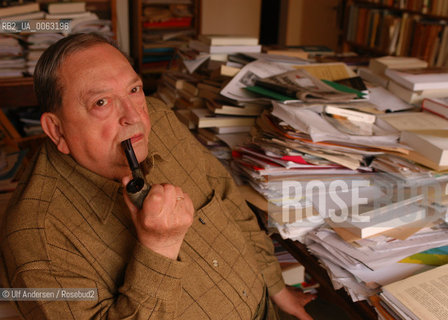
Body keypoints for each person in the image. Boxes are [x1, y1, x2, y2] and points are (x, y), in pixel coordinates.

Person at [0, 33, 315, 319]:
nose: (134, 117)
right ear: (57, 129)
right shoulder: (36, 236)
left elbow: (225, 197)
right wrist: (159, 249)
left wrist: (275, 286)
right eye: (101, 102)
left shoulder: (160, 120)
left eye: (134, 89)